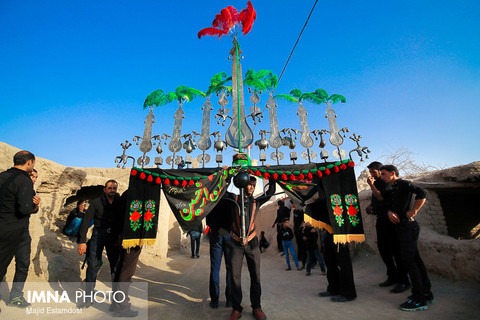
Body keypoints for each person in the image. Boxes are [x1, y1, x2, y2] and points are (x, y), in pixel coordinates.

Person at [380, 165, 433, 312]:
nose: (382, 177)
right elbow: (390, 205)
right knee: (415, 259)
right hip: (402, 228)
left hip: (408, 227)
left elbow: (422, 192)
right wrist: (390, 212)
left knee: (410, 261)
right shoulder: (393, 188)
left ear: (392, 173)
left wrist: (414, 210)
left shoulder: (402, 183)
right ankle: (426, 292)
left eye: (383, 174)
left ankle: (419, 299)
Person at [226, 175, 275, 320]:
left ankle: (257, 307)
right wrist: (228, 176)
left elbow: (270, 192)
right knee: (235, 277)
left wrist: (270, 175)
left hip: (252, 243)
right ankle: (236, 308)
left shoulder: (256, 201)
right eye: (250, 184)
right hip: (235, 243)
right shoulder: (233, 199)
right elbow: (221, 190)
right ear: (242, 184)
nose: (253, 187)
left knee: (256, 277)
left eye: (254, 184)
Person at [0, 151, 39, 313]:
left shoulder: (1, 176)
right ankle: (15, 297)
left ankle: (16, 296)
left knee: (16, 263)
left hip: (4, 227)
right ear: (29, 162)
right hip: (16, 230)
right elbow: (25, 209)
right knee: (19, 265)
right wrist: (35, 205)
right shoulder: (24, 179)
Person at [77, 180, 123, 308]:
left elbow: (122, 220)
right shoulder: (96, 202)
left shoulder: (119, 202)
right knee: (92, 266)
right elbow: (86, 221)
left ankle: (117, 301)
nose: (112, 190)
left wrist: (120, 237)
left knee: (116, 267)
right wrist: (82, 241)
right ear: (105, 189)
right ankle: (87, 299)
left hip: (114, 236)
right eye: (110, 188)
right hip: (98, 235)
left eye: (114, 188)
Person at [367, 161, 409, 293]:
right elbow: (377, 200)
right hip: (381, 219)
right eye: (371, 172)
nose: (372, 175)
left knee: (396, 250)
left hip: (390, 220)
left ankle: (403, 281)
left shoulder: (385, 182)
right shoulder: (378, 183)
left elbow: (381, 197)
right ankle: (392, 276)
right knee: (384, 249)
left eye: (374, 172)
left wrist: (371, 185)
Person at [206, 198, 233, 309]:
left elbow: (208, 220)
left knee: (215, 269)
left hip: (216, 235)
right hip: (229, 235)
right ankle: (230, 300)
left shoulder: (212, 197)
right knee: (230, 268)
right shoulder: (231, 197)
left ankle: (215, 301)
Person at [291, 202, 306, 269]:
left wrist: (300, 228)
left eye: (292, 204)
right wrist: (294, 228)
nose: (291, 205)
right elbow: (294, 221)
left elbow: (303, 220)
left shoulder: (300, 211)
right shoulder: (294, 211)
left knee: (302, 243)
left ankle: (304, 258)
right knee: (298, 243)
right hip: (296, 229)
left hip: (300, 229)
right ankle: (299, 257)